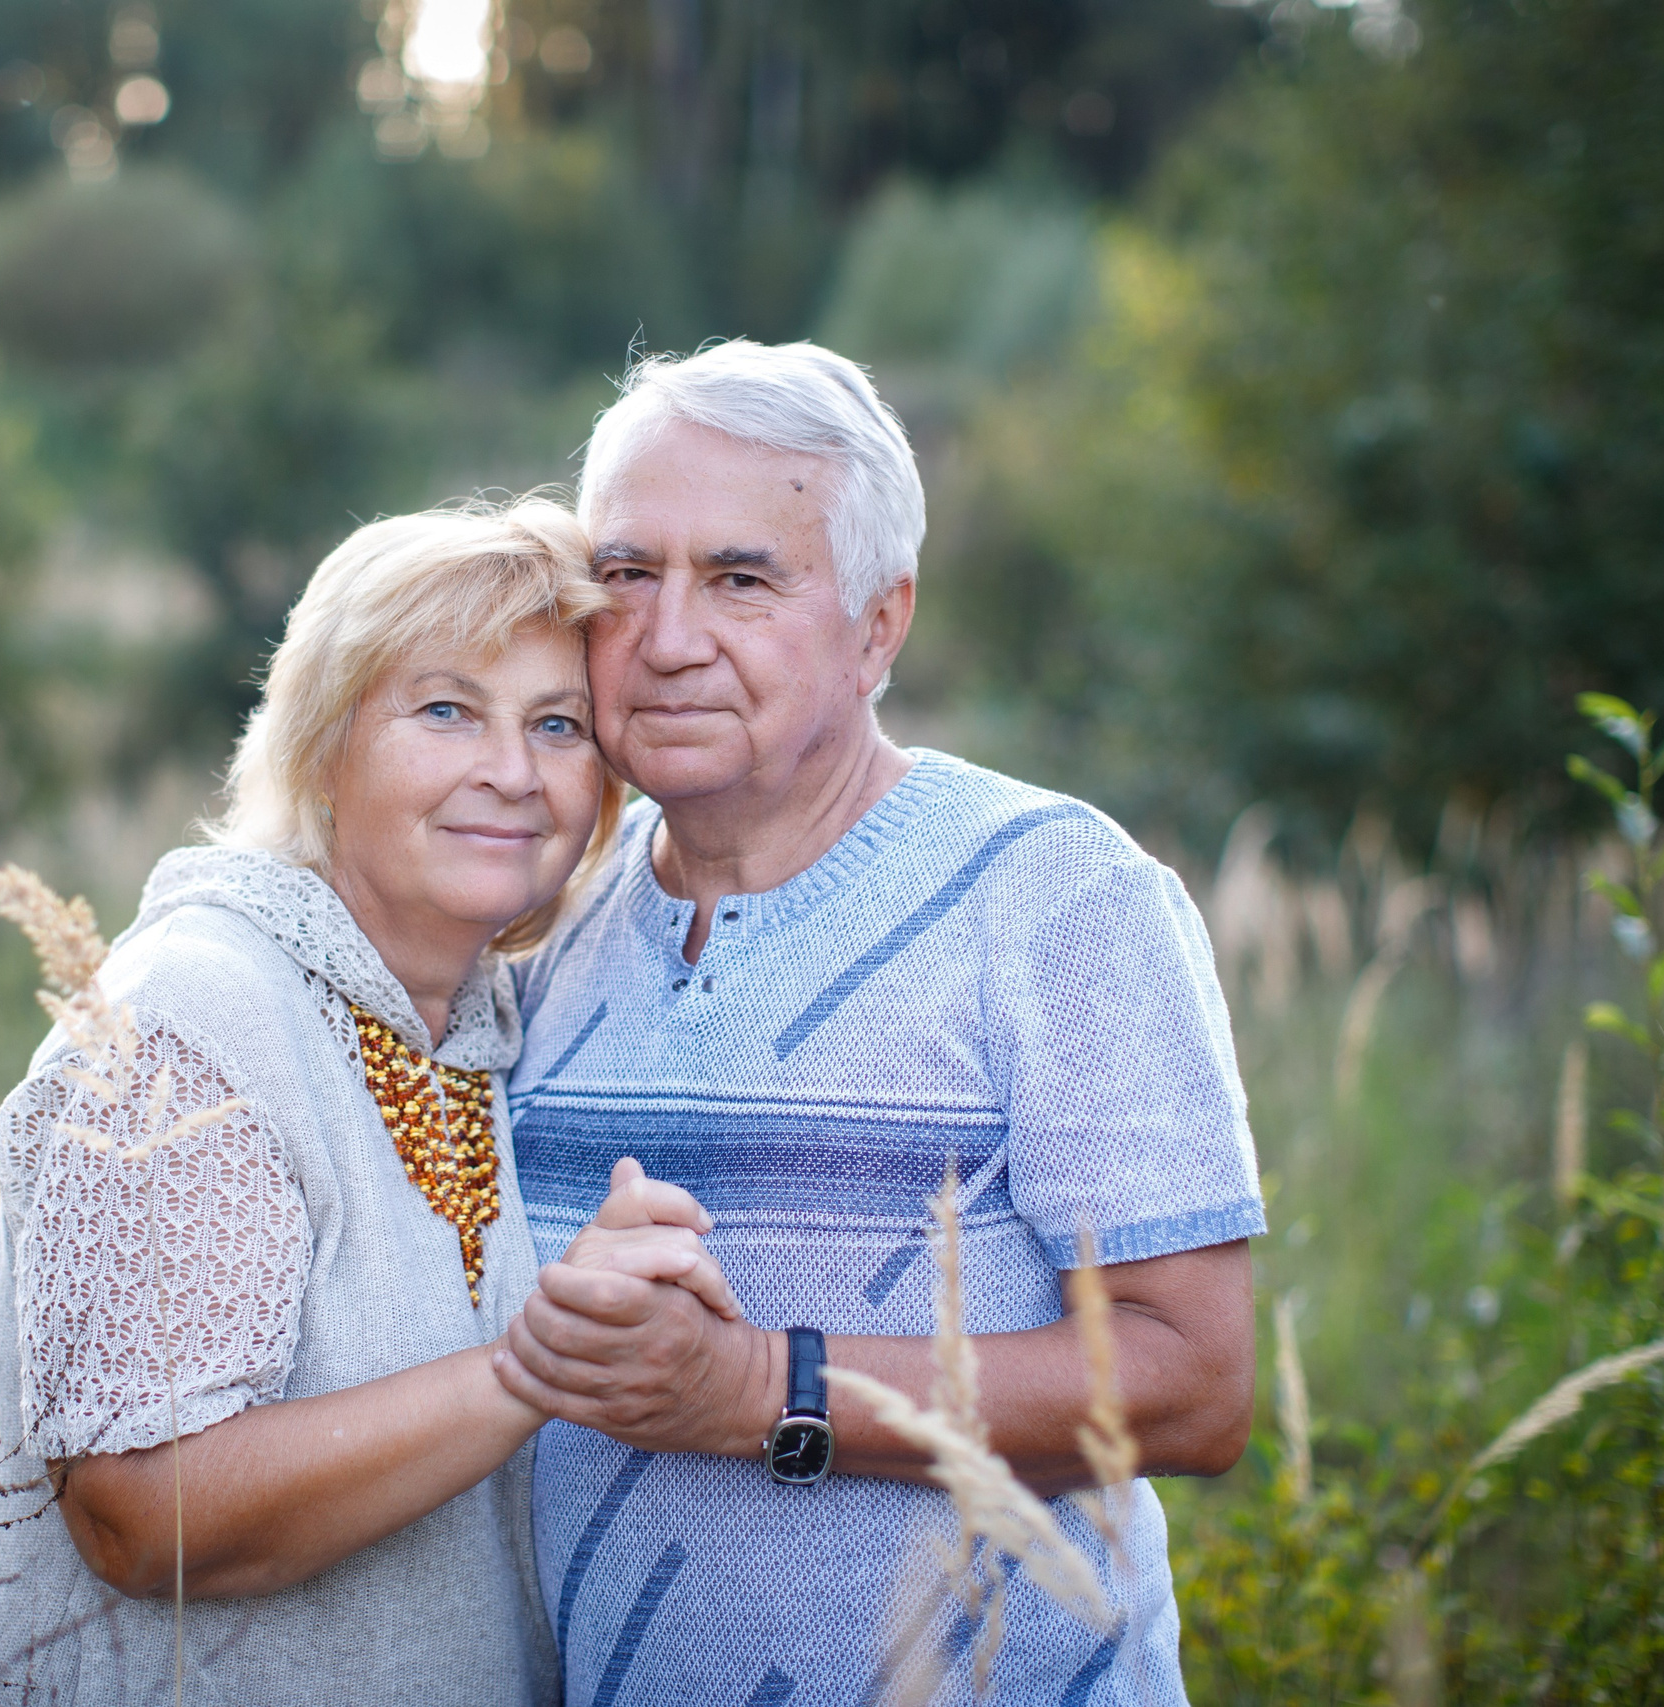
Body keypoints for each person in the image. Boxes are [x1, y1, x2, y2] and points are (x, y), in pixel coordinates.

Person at [488, 342, 1265, 1705]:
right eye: (624, 574)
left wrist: (757, 1389)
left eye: (741, 577)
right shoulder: (543, 915)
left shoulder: (1054, 893)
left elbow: (1195, 1383)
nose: (668, 638)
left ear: (879, 624)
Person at [0, 498, 733, 1705]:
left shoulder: (475, 1030)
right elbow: (143, 1519)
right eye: (443, 710)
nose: (512, 773)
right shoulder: (184, 1021)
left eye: (558, 725)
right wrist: (537, 1365)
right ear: (323, 747)